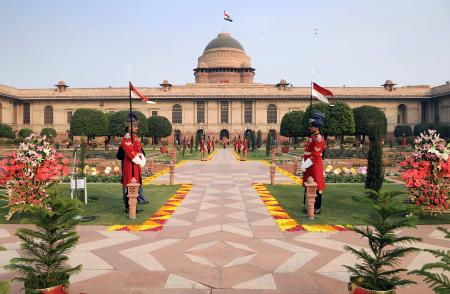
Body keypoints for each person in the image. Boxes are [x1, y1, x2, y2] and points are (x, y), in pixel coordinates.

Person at [121, 113, 148, 213]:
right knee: (129, 186)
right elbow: (129, 151)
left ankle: (134, 206)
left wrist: (142, 159)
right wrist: (138, 160)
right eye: (135, 126)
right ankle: (128, 207)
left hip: (135, 165)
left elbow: (139, 150)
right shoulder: (127, 137)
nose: (137, 128)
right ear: (130, 127)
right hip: (130, 165)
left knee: (135, 185)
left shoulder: (135, 137)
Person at [301, 111, 326, 214]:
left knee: (316, 186)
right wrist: (304, 161)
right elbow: (307, 151)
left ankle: (317, 208)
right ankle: (310, 206)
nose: (310, 128)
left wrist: (305, 164)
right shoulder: (313, 137)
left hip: (314, 165)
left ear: (317, 127)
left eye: (312, 126)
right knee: (309, 185)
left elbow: (315, 155)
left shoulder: (318, 138)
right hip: (310, 165)